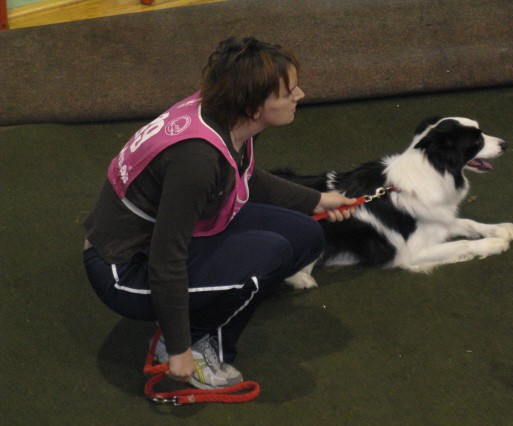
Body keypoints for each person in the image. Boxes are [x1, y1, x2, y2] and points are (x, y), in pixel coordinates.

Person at [83, 37, 356, 389]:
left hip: (160, 240)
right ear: (256, 106)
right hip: (123, 268)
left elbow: (242, 174)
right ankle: (193, 343)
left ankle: (218, 295)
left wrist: (315, 200)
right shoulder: (196, 161)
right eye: (288, 92)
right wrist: (179, 346)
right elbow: (167, 259)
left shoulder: (226, 113)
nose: (299, 95)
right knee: (268, 255)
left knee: (307, 236)